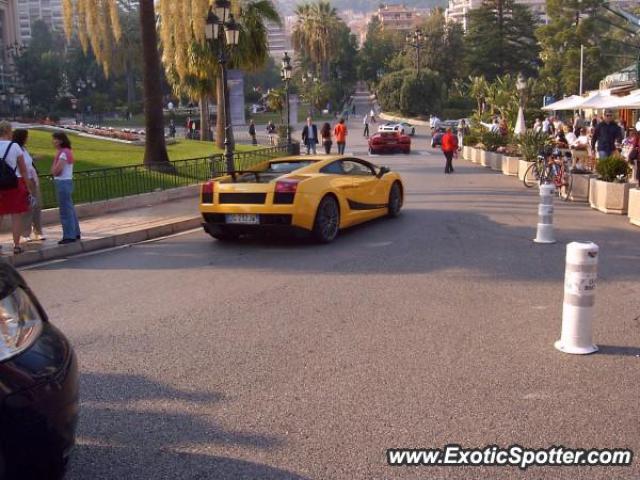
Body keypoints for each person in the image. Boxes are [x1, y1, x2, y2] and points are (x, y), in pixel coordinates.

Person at [0, 121, 33, 254]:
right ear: (9, 131)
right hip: (15, 183)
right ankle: (16, 245)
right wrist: (29, 187)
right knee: (16, 216)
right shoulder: (14, 147)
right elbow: (23, 170)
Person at [13, 129, 44, 242]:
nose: (28, 138)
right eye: (26, 136)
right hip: (23, 180)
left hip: (32, 179)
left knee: (37, 205)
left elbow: (28, 161)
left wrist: (34, 158)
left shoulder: (24, 149)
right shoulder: (15, 149)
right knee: (28, 207)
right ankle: (25, 233)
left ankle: (38, 231)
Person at [51, 132, 81, 244]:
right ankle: (75, 232)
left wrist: (53, 170)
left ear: (61, 141)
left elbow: (57, 171)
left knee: (65, 210)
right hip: (66, 182)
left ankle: (69, 235)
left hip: (63, 183)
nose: (53, 142)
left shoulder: (63, 153)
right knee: (70, 209)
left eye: (55, 139)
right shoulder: (66, 152)